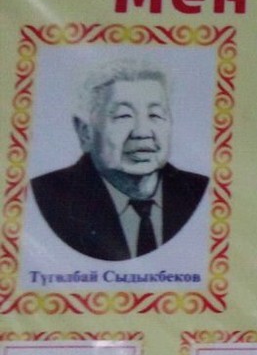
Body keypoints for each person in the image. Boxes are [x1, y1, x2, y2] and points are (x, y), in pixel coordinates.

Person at [30, 58, 209, 261]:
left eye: (155, 115)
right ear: (85, 132)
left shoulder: (202, 191)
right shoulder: (45, 197)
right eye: (123, 116)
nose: (142, 132)